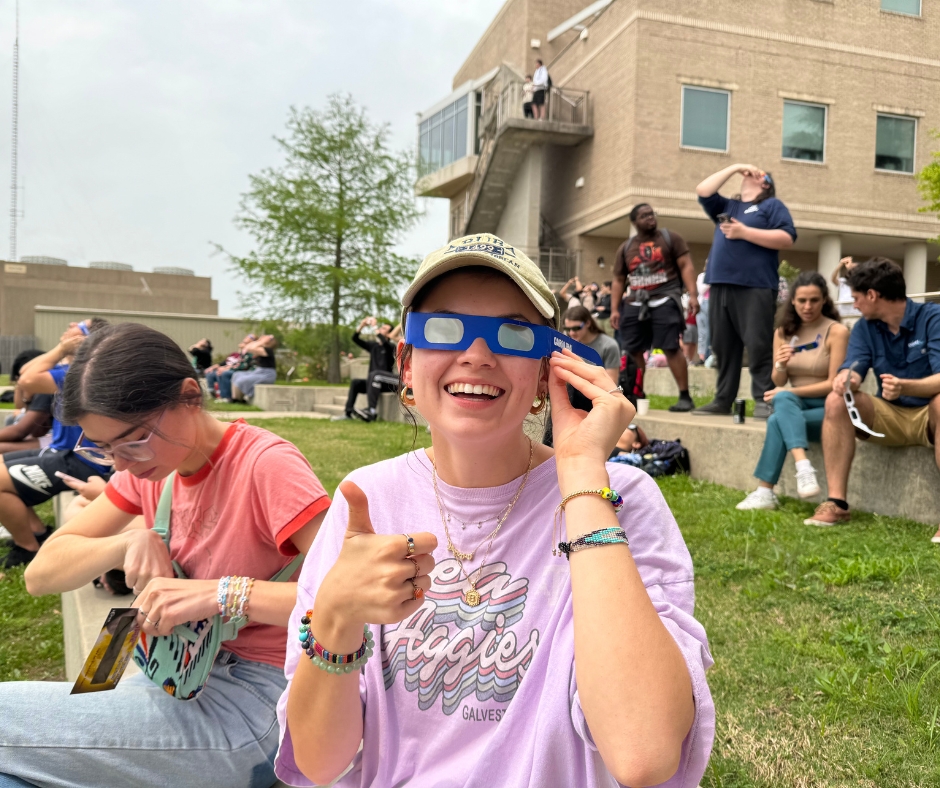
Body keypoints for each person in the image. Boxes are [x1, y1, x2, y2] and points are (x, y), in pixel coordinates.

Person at [275, 234, 714, 788]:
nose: (477, 354)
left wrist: (580, 478)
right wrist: (336, 617)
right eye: (443, 327)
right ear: (407, 365)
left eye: (513, 334)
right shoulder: (366, 500)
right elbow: (320, 763)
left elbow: (644, 753)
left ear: (545, 373)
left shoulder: (620, 497)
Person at [0, 323, 331, 787]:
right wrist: (127, 541)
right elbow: (41, 573)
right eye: (103, 448)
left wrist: (221, 594)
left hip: (254, 703)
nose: (120, 463)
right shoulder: (150, 469)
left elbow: (349, 601)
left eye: (131, 440)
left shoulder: (265, 466)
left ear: (190, 395)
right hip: (169, 675)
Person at [804, 259, 940, 535]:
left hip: (930, 413)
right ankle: (837, 503)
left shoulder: (932, 317)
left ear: (872, 295)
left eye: (855, 298)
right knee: (835, 400)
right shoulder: (866, 327)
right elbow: (854, 367)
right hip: (889, 416)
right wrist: (847, 379)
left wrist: (906, 387)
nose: (854, 305)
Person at [0, 319, 113, 568]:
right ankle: (37, 534)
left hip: (83, 462)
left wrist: (61, 350)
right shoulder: (76, 369)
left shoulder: (80, 373)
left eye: (79, 324)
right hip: (66, 454)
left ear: (86, 340)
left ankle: (28, 547)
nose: (70, 323)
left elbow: (27, 380)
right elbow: (25, 374)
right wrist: (62, 349)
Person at [736, 271, 849, 510]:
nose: (807, 307)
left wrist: (790, 393)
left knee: (779, 414)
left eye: (814, 300)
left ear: (824, 300)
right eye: (801, 301)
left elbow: (834, 383)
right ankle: (802, 467)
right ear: (793, 301)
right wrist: (780, 364)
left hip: (830, 408)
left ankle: (766, 490)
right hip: (796, 407)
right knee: (783, 404)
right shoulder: (783, 333)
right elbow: (779, 380)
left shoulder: (837, 331)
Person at [692, 165, 796, 419]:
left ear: (766, 183)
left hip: (755, 284)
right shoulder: (729, 207)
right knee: (723, 345)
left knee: (758, 343)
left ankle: (763, 399)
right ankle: (722, 399)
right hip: (720, 284)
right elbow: (703, 190)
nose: (749, 175)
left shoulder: (772, 206)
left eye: (757, 174)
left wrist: (744, 232)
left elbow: (787, 237)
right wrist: (736, 167)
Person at [611, 203, 699, 412]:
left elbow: (686, 265)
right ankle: (636, 394)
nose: (650, 217)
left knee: (671, 347)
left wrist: (693, 295)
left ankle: (685, 396)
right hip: (635, 301)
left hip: (665, 298)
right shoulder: (625, 247)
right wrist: (615, 309)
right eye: (644, 215)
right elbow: (618, 279)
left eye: (652, 214)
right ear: (634, 221)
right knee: (633, 350)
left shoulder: (671, 238)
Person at [543, 305, 622, 447]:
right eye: (568, 329)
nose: (572, 333)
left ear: (588, 323)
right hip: (568, 394)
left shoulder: (608, 345)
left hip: (594, 398)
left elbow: (611, 383)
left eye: (576, 328)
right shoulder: (566, 344)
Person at [334, 317, 399, 422]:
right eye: (380, 328)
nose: (380, 329)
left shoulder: (391, 347)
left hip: (386, 383)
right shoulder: (373, 346)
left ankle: (371, 411)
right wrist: (362, 326)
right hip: (373, 383)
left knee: (375, 374)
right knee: (356, 383)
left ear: (388, 334)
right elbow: (355, 339)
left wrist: (374, 326)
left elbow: (385, 342)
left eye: (383, 329)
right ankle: (348, 413)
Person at [205, 333, 255, 401]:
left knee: (225, 373)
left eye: (250, 337)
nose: (247, 337)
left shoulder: (251, 352)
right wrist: (216, 367)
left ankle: (227, 397)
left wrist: (226, 369)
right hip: (235, 369)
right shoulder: (237, 353)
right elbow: (226, 363)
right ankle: (217, 395)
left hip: (245, 371)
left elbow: (242, 365)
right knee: (213, 373)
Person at [231, 334, 278, 402]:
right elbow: (248, 347)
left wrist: (262, 341)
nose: (262, 337)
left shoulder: (268, 350)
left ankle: (238, 399)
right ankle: (235, 398)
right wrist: (260, 341)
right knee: (237, 375)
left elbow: (250, 348)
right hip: (259, 371)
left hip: (267, 374)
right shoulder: (261, 349)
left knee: (242, 380)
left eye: (264, 337)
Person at [696, 265, 711, 363]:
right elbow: (701, 290)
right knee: (703, 332)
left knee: (712, 332)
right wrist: (711, 280)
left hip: (714, 304)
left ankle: (710, 356)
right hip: (703, 304)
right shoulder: (701, 276)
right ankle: (702, 357)